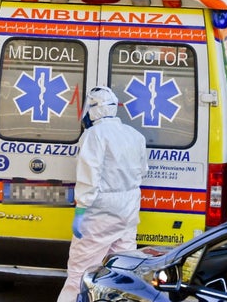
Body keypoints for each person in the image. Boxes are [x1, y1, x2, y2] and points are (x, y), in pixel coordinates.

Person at [56, 86, 148, 302]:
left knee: (80, 274)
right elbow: (143, 171)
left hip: (100, 213)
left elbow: (89, 178)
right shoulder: (135, 135)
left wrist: (80, 211)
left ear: (94, 109)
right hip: (128, 212)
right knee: (124, 272)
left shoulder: (94, 135)